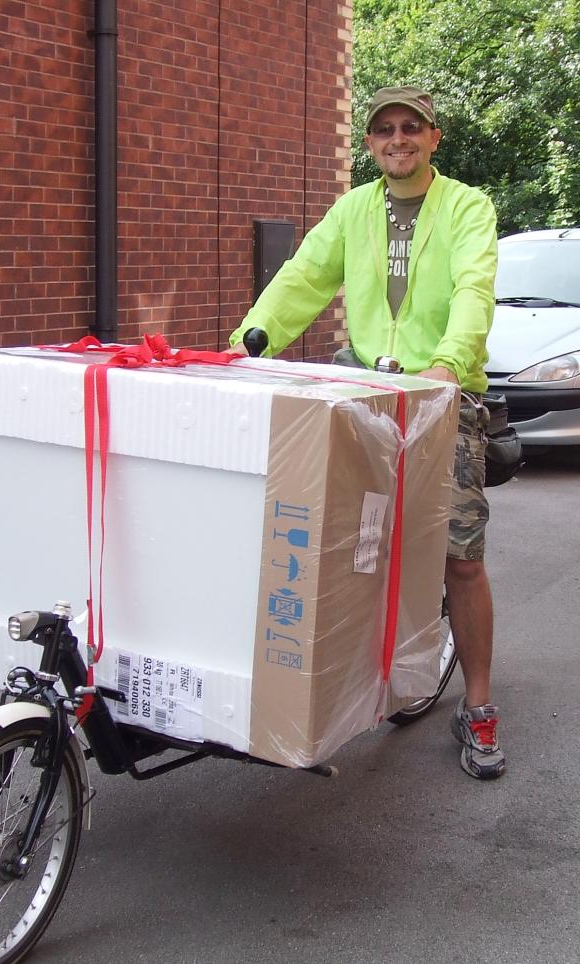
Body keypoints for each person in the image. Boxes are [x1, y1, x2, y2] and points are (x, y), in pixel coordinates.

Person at [228, 85, 505, 779]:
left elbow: (474, 290)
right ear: (372, 142)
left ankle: (477, 705)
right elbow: (303, 278)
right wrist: (247, 347)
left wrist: (447, 362)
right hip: (366, 391)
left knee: (459, 554)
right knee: (343, 539)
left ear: (433, 137)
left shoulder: (467, 207)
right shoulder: (354, 209)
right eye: (384, 130)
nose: (397, 139)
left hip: (443, 393)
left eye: (411, 127)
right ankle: (346, 680)